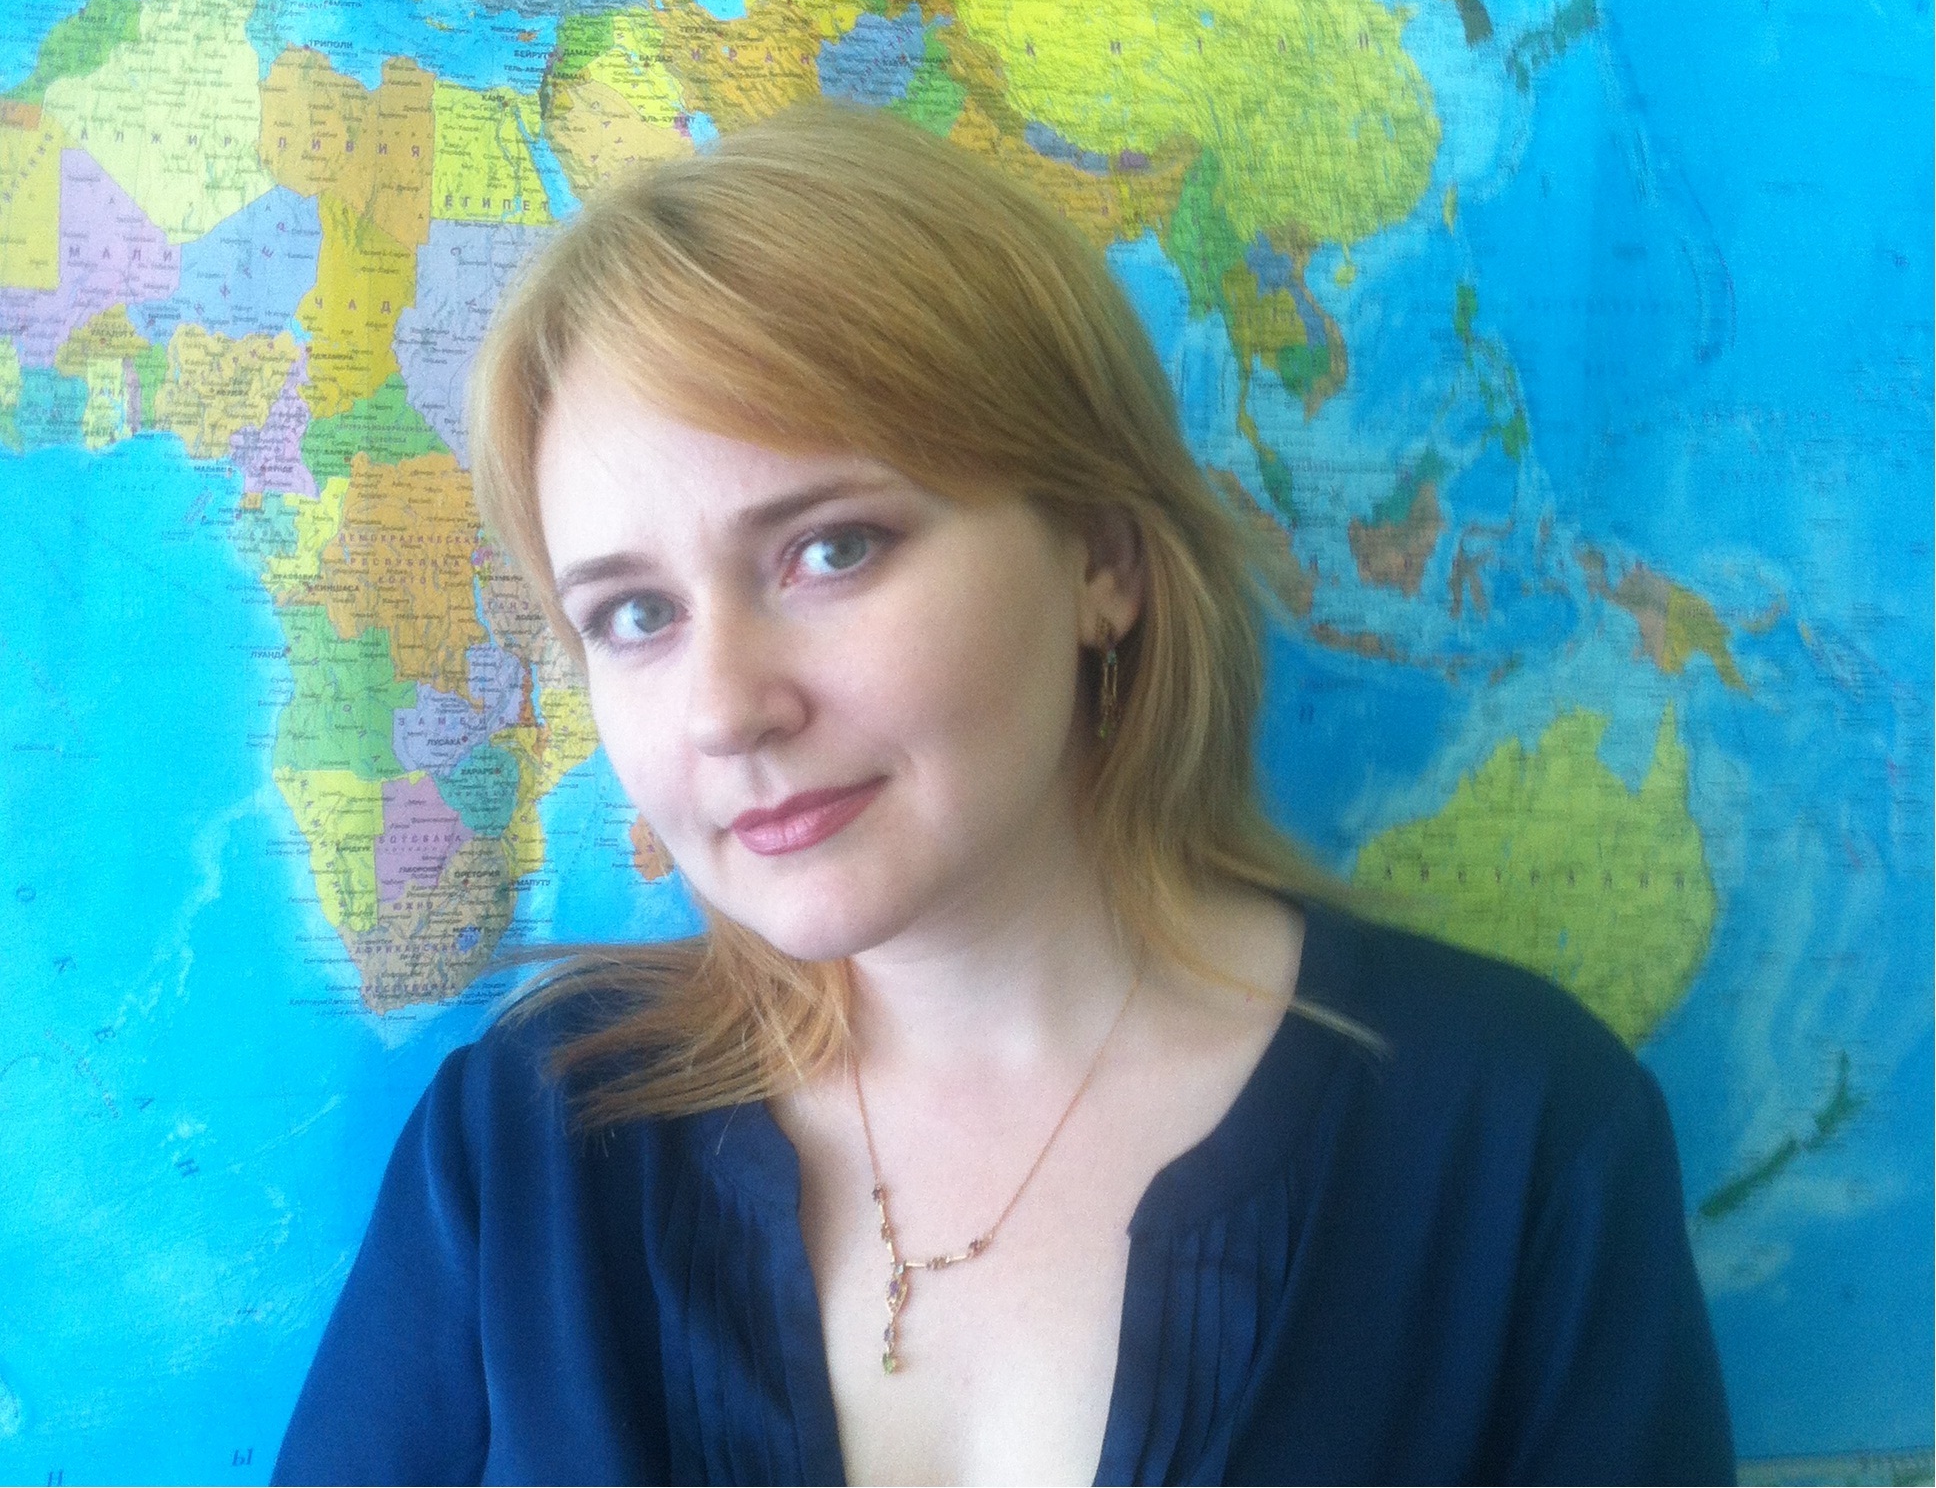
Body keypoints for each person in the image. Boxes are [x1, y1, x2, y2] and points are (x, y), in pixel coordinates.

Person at [273, 101, 1734, 1486]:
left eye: (831, 549)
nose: (724, 708)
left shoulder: (1520, 1146)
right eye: (635, 614)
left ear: (1102, 557)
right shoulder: (527, 1147)